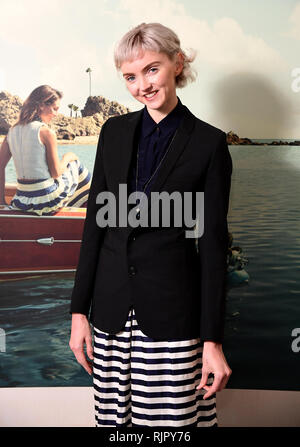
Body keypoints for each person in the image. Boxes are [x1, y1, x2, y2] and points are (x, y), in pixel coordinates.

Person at [69, 22, 233, 427]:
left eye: (152, 70)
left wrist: (212, 340)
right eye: (130, 76)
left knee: (171, 428)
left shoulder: (209, 143)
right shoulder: (112, 132)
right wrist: (78, 312)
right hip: (109, 314)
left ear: (177, 63)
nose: (142, 85)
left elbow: (212, 248)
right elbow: (95, 227)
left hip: (173, 317)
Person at [0, 85, 91, 215]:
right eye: (54, 109)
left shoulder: (12, 131)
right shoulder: (46, 132)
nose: (56, 114)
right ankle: (87, 210)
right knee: (76, 165)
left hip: (21, 200)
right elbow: (55, 173)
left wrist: (1, 202)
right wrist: (67, 157)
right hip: (45, 200)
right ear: (42, 105)